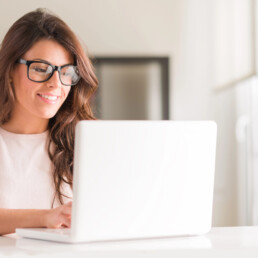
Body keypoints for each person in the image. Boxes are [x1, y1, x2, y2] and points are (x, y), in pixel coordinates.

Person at [0, 8, 98, 235]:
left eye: (67, 72)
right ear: (10, 70)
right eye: (41, 69)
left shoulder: (83, 143)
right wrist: (46, 217)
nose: (56, 83)